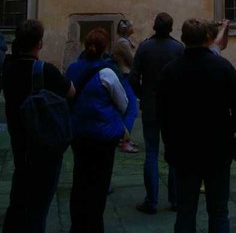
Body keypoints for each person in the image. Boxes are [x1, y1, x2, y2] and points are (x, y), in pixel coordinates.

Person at [157, 17, 236, 233]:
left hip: (183, 148)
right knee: (218, 211)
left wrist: (169, 142)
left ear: (183, 38)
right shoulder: (222, 67)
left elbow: (162, 112)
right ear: (207, 38)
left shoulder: (171, 70)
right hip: (218, 147)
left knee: (185, 210)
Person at [2, 19, 75, 233]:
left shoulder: (8, 68)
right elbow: (71, 92)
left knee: (19, 199)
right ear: (40, 43)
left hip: (19, 141)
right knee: (38, 208)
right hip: (43, 144)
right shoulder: (46, 70)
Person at [66, 27, 137, 232]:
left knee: (80, 180)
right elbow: (123, 103)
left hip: (78, 133)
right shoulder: (107, 73)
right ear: (105, 48)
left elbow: (68, 97)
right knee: (99, 185)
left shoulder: (72, 68)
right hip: (102, 136)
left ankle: (77, 225)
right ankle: (94, 226)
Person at [129, 12, 184, 214]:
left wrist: (142, 95)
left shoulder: (145, 47)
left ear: (154, 26)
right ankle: (175, 199)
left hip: (151, 106)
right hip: (172, 107)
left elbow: (133, 77)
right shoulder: (178, 48)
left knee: (151, 153)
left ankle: (151, 201)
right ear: (170, 28)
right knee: (173, 153)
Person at [112, 18, 138, 153]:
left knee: (127, 108)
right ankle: (124, 141)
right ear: (127, 29)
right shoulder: (123, 43)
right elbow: (132, 61)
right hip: (125, 76)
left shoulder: (124, 41)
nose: (133, 27)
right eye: (131, 26)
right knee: (132, 109)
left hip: (125, 76)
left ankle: (123, 137)